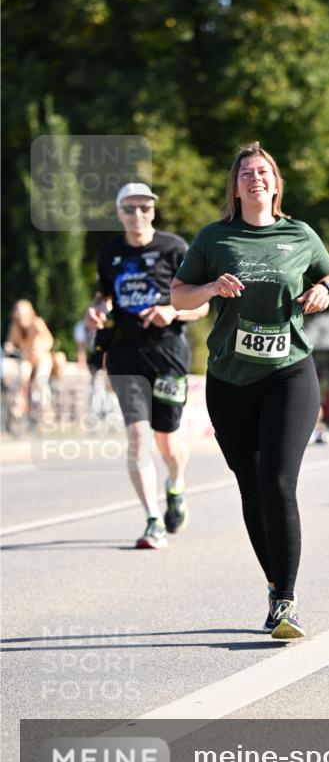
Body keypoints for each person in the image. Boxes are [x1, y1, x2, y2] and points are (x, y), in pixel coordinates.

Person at [171, 143, 329, 639]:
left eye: (263, 171)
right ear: (236, 186)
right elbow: (179, 295)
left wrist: (323, 291)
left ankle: (286, 601)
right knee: (251, 484)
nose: (255, 178)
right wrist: (210, 289)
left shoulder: (299, 234)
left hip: (290, 371)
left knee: (279, 480)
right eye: (246, 173)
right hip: (230, 380)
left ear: (275, 183)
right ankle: (272, 585)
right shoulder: (215, 237)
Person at [84, 183, 209, 549]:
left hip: (168, 353)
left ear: (153, 211)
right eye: (129, 208)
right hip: (125, 354)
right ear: (119, 213)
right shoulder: (109, 253)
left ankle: (176, 484)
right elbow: (103, 295)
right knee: (138, 437)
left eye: (143, 207)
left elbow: (202, 302)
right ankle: (153, 520)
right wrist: (96, 311)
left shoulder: (175, 249)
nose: (137, 214)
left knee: (167, 442)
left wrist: (173, 311)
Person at [3, 299, 54, 415]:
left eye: (23, 315)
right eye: (18, 315)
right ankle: (20, 405)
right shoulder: (15, 326)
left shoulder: (37, 323)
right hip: (27, 359)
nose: (20, 318)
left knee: (40, 381)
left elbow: (49, 340)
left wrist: (40, 347)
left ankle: (46, 410)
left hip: (41, 358)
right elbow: (10, 342)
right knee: (21, 377)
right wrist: (9, 347)